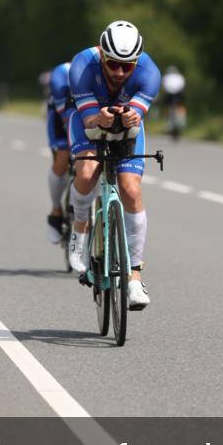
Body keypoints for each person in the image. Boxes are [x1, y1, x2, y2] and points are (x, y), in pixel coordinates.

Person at [67, 20, 161, 310]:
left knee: (131, 191)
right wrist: (99, 119)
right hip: (89, 122)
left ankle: (134, 278)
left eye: (127, 66)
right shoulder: (82, 65)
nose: (120, 72)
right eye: (113, 64)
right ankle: (79, 229)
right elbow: (89, 122)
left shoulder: (150, 73)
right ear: (102, 55)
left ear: (137, 61)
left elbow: (137, 115)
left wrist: (133, 115)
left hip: (127, 129)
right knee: (86, 172)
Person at [45, 62, 73, 243]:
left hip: (90, 116)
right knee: (63, 158)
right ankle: (56, 210)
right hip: (61, 117)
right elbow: (67, 118)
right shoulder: (59, 78)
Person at [161, 65, 186, 137]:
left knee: (167, 107)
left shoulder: (166, 77)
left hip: (170, 95)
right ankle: (182, 120)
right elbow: (182, 87)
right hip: (179, 95)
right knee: (181, 106)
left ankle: (167, 122)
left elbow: (164, 87)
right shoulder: (180, 77)